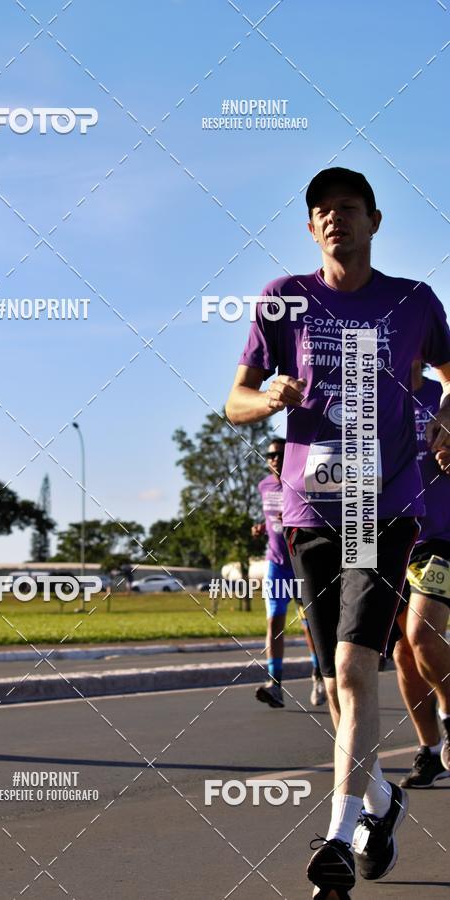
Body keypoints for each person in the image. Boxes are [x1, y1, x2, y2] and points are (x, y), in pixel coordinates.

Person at [225, 166, 450, 898]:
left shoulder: (414, 301)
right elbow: (233, 401)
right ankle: (382, 804)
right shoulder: (283, 299)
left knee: (354, 673)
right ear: (310, 225)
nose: (334, 219)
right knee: (335, 686)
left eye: (348, 208)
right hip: (310, 513)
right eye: (321, 210)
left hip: (385, 509)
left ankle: (336, 843)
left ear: (374, 221)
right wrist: (270, 399)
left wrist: (447, 416)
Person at [393, 361, 450, 787]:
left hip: (439, 536)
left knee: (423, 635)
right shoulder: (374, 400)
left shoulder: (444, 398)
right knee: (403, 653)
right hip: (389, 539)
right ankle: (430, 750)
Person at [253, 436, 326, 708]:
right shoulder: (264, 486)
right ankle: (275, 684)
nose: (275, 460)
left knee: (310, 624)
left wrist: (295, 520)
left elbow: (316, 516)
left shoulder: (301, 482)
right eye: (271, 455)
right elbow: (271, 518)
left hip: (301, 562)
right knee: (274, 622)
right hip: (276, 564)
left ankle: (319, 674)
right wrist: (262, 528)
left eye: (280, 455)